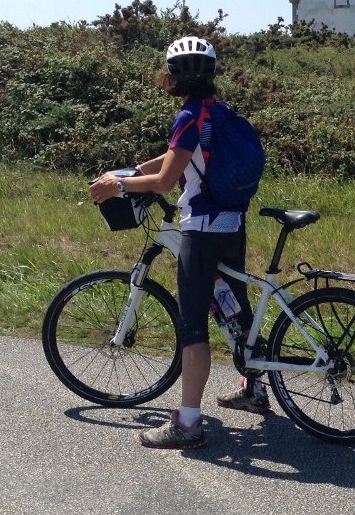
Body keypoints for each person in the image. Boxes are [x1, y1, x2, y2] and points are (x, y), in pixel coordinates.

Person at [88, 36, 269, 450]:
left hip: (202, 229)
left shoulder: (189, 114)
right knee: (234, 307)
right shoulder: (219, 111)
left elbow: (167, 180)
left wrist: (118, 184)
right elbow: (175, 157)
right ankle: (254, 388)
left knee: (192, 328)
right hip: (231, 222)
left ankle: (187, 424)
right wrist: (134, 169)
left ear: (172, 76)